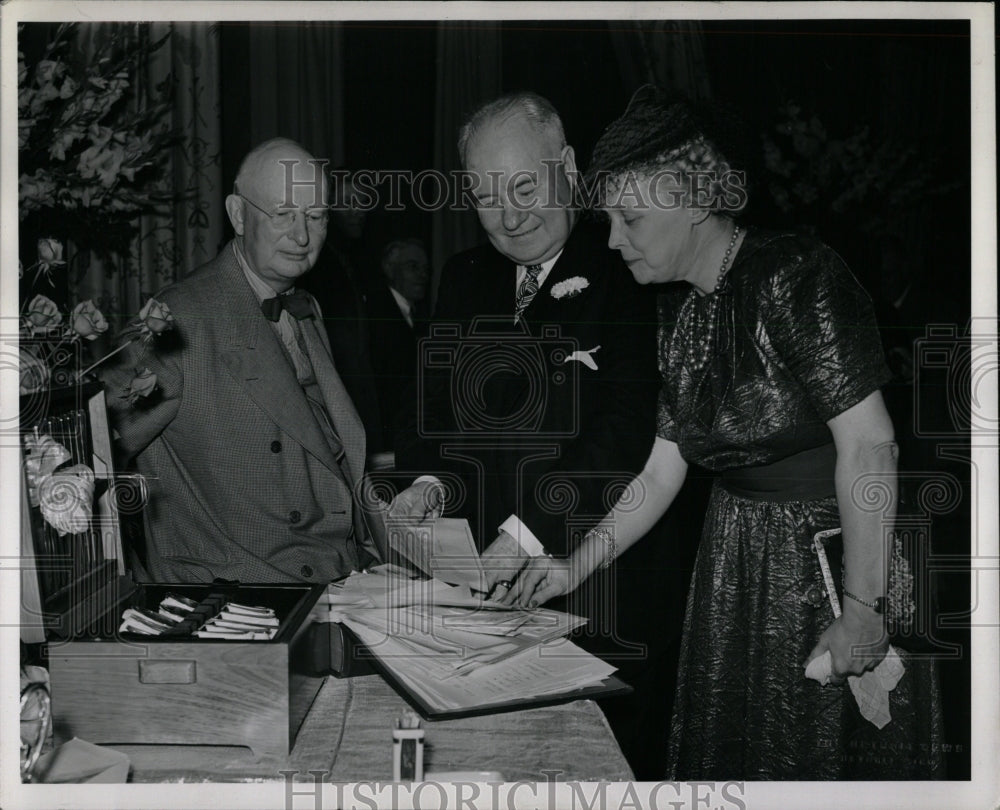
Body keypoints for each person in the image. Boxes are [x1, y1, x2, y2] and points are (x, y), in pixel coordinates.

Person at [507, 88, 945, 780]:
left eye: (631, 218)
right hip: (734, 560)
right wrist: (572, 567)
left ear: (695, 202)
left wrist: (864, 608)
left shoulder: (798, 276)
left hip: (832, 566)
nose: (614, 240)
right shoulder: (678, 311)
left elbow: (871, 446)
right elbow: (660, 471)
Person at [395, 92, 692, 776]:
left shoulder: (632, 264)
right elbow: (431, 413)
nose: (509, 214)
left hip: (607, 588)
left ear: (567, 167)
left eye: (525, 186)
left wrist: (529, 530)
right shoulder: (464, 277)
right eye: (487, 195)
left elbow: (627, 431)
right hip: (486, 603)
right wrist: (428, 485)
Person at [102, 138, 438, 584]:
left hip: (343, 579)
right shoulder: (178, 319)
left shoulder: (307, 309)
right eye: (283, 215)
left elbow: (330, 458)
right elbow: (88, 449)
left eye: (315, 217)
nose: (301, 237)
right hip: (244, 599)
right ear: (238, 215)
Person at [301, 168, 383, 452]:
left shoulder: (354, 262)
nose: (359, 211)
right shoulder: (315, 263)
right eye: (349, 202)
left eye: (363, 203)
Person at [366, 238, 431, 453]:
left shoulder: (422, 318)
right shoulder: (373, 315)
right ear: (389, 268)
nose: (423, 275)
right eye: (413, 267)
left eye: (425, 269)